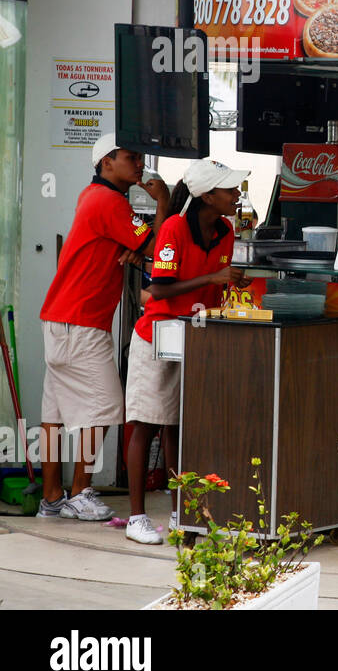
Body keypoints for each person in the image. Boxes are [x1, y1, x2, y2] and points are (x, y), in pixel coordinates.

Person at [37, 134, 170, 521]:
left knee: (56, 414)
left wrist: (128, 244)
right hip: (81, 322)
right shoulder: (109, 201)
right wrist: (163, 202)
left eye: (141, 156)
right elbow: (157, 249)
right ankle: (79, 492)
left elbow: (137, 242)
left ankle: (52, 499)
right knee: (107, 409)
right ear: (106, 163)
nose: (140, 163)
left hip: (63, 319)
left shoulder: (93, 197)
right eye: (131, 157)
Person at [124, 160, 250, 544]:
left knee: (179, 427)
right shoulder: (174, 229)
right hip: (156, 337)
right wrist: (211, 278)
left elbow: (216, 292)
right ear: (207, 195)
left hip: (196, 339)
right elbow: (159, 290)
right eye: (230, 190)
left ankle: (183, 514)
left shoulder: (226, 231)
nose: (237, 195)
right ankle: (136, 518)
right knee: (145, 424)